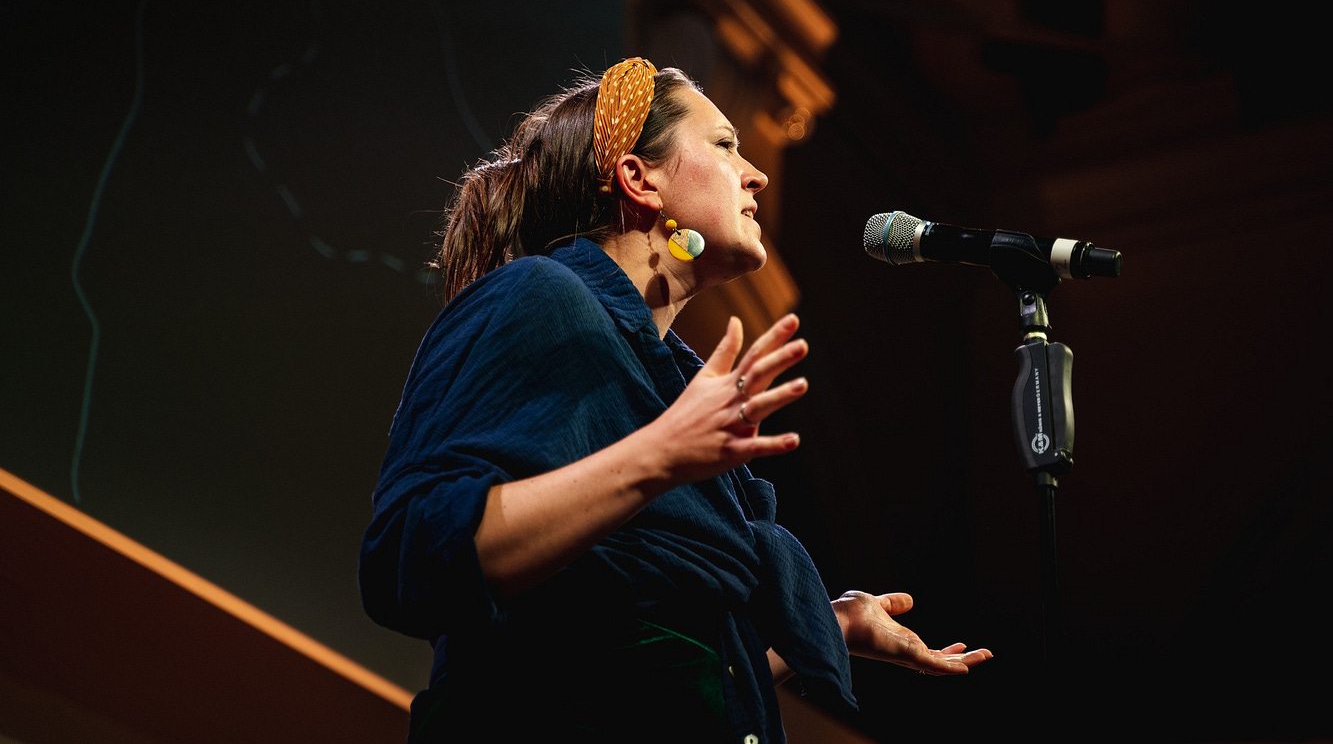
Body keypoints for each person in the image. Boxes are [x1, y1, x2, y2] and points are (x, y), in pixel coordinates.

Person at [359, 58, 991, 742]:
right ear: (640, 179)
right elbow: (409, 556)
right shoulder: (540, 296)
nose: (756, 174)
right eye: (724, 144)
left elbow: (671, 672)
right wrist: (660, 455)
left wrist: (833, 624)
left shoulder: (673, 387)